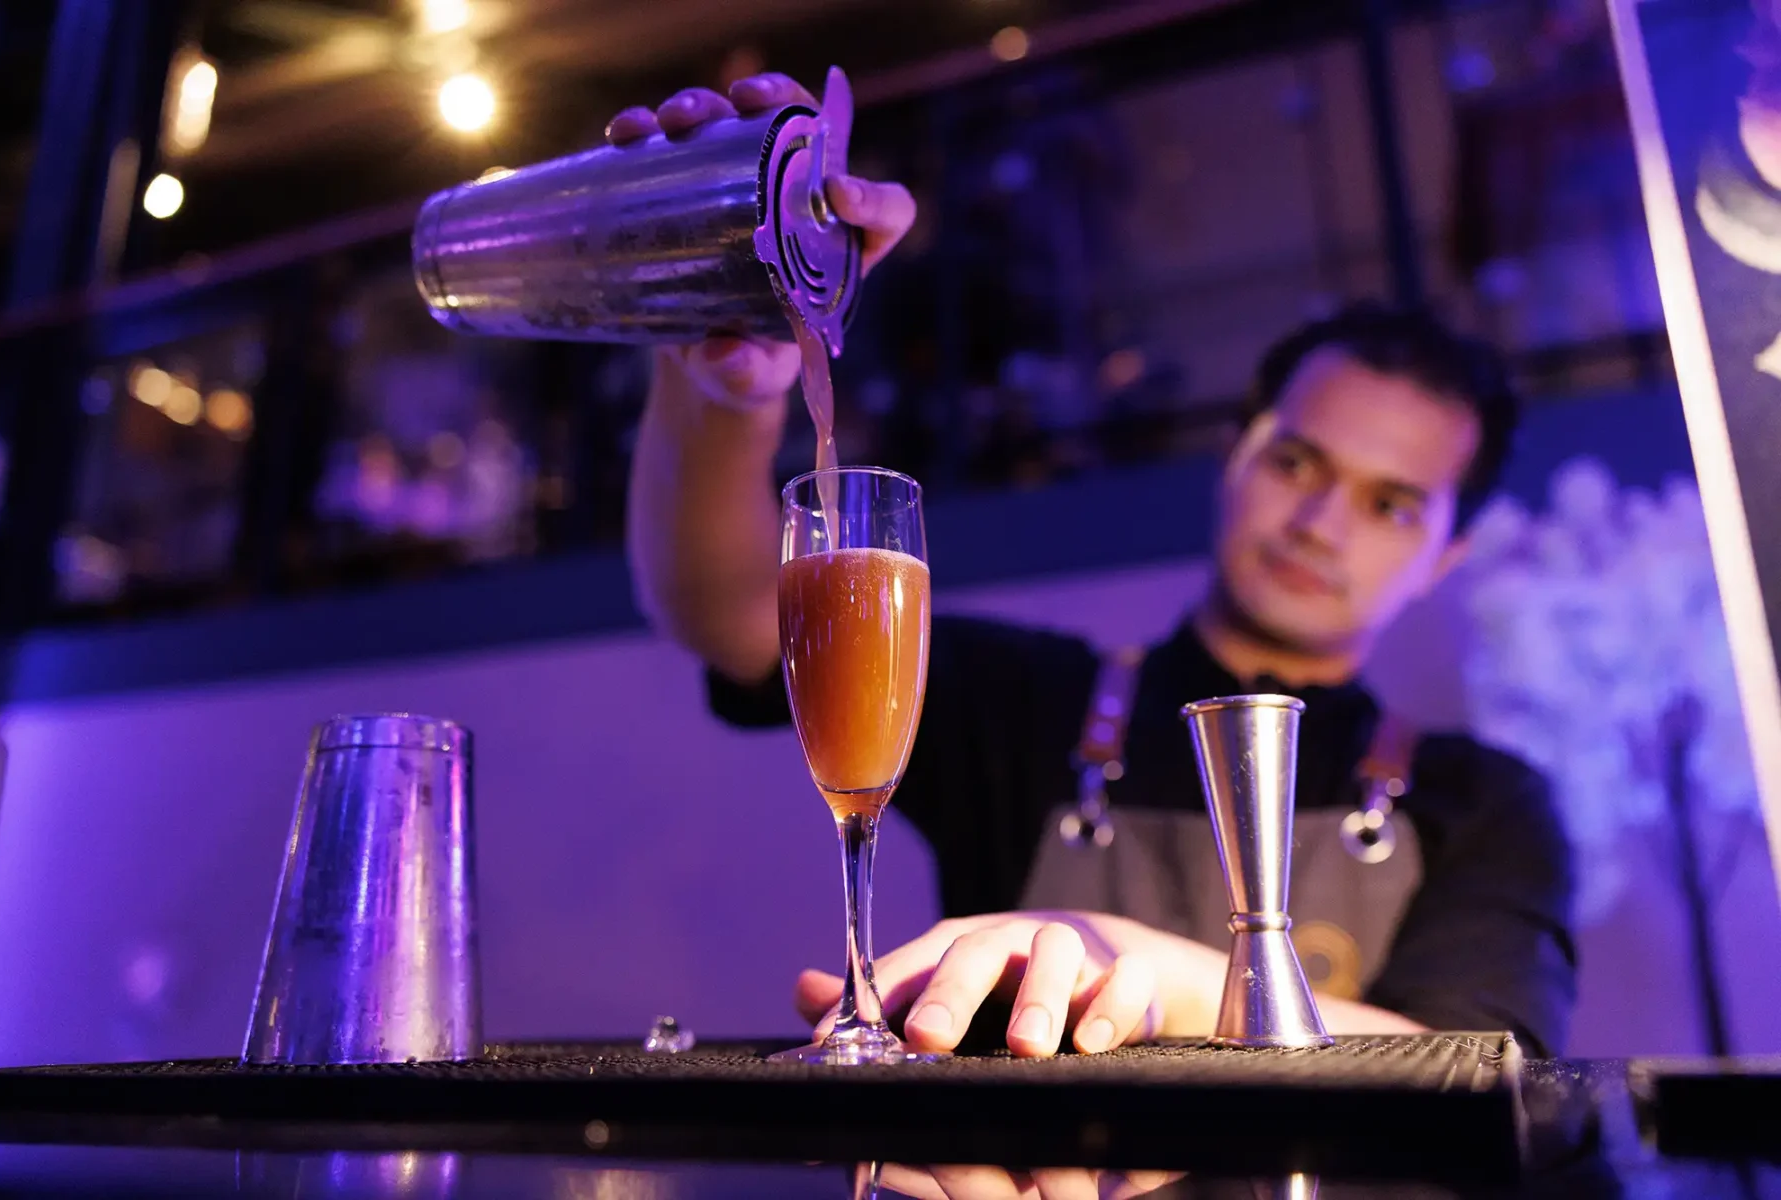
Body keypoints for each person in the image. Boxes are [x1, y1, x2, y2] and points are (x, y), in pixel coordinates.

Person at [616, 74, 1577, 1061]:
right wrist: (726, 385)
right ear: (1234, 456)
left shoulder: (1484, 804)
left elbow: (1481, 1066)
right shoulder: (1026, 704)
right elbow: (730, 609)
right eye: (1296, 462)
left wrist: (1140, 963)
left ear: (1443, 558)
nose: (1322, 523)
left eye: (1390, 505)